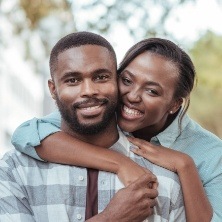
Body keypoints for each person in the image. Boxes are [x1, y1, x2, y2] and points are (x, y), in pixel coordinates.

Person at [11, 36, 222, 222]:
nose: (132, 96)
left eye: (152, 91)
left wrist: (184, 165)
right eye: (127, 80)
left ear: (175, 104)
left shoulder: (210, 153)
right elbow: (27, 134)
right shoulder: (99, 112)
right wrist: (121, 163)